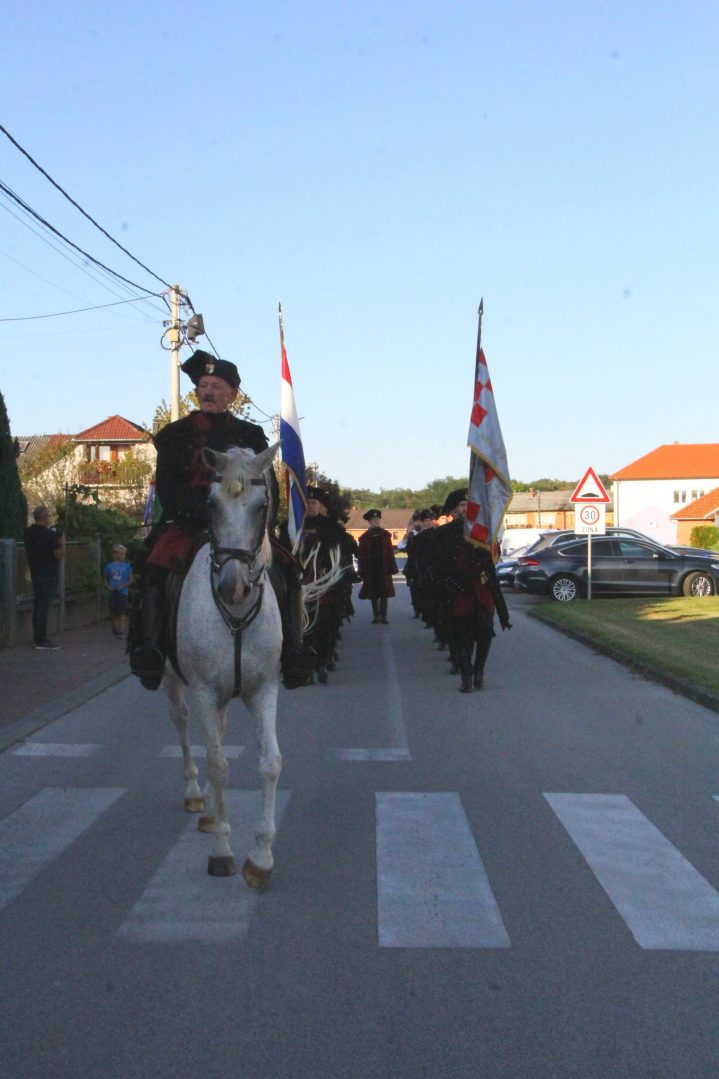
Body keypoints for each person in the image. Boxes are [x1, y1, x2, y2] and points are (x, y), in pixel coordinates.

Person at [129, 349, 311, 691]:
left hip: (242, 525)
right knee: (153, 567)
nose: (207, 392)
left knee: (288, 567)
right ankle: (150, 648)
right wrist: (200, 513)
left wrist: (260, 523)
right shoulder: (174, 435)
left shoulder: (250, 434)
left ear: (232, 395)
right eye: (203, 385)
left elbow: (268, 486)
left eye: (215, 386)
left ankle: (293, 652)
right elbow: (168, 485)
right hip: (189, 523)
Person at [430, 489, 511, 693]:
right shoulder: (443, 534)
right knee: (460, 635)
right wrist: (448, 584)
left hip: (481, 590)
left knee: (485, 632)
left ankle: (479, 669)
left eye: (468, 504)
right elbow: (438, 565)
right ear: (453, 510)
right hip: (457, 592)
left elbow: (492, 558)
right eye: (462, 505)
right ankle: (466, 674)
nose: (466, 508)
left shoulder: (482, 531)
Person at [23, 505, 65, 650]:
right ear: (45, 517)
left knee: (38, 605)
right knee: (43, 606)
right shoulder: (49, 535)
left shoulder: (28, 533)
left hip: (35, 571)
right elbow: (58, 555)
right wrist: (62, 542)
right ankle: (41, 640)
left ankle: (38, 637)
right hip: (48, 572)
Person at [357, 509, 398, 624]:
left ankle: (384, 616)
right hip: (371, 569)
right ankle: (376, 616)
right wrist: (361, 570)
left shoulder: (385, 535)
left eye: (377, 519)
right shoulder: (365, 537)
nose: (376, 521)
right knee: (373, 594)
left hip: (384, 569)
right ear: (369, 522)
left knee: (384, 593)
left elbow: (389, 552)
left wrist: (392, 567)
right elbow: (362, 555)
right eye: (374, 520)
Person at [104, 544, 132, 638]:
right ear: (115, 554)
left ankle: (121, 630)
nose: (123, 556)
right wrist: (108, 586)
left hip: (122, 592)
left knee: (122, 611)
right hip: (112, 591)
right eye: (121, 554)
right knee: (113, 611)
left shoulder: (126, 566)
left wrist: (123, 586)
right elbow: (105, 579)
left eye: (124, 554)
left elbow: (131, 579)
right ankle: (115, 627)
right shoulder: (109, 566)